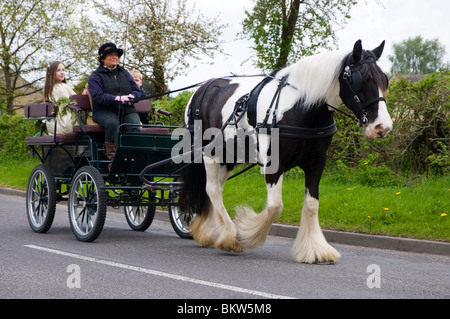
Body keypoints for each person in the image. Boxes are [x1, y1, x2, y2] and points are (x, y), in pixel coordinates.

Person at [88, 43, 142, 169]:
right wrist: (116, 98)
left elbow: (136, 90)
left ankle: (134, 160)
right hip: (104, 110)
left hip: (126, 109)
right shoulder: (96, 76)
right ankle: (113, 161)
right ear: (102, 58)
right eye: (111, 55)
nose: (115, 57)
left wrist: (132, 97)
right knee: (113, 124)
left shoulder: (124, 73)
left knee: (134, 126)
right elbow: (97, 96)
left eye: (116, 55)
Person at [44, 61, 77, 136]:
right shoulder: (59, 87)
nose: (62, 72)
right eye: (58, 70)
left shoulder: (51, 88)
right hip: (65, 125)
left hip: (54, 126)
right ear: (51, 73)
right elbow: (75, 101)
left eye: (63, 70)